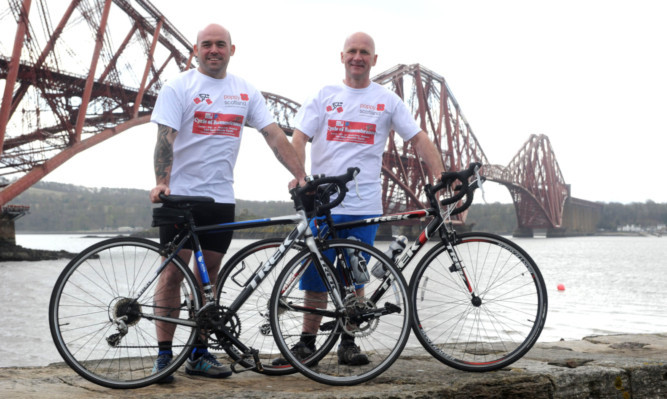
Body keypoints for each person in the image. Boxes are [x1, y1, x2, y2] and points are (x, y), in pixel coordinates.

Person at [149, 23, 306, 383]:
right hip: (180, 197)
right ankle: (163, 356)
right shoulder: (178, 87)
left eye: (221, 44)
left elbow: (273, 135)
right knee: (172, 273)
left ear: (232, 50)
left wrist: (301, 176)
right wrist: (161, 182)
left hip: (220, 198)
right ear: (196, 50)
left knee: (210, 279)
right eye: (207, 44)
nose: (214, 50)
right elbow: (164, 139)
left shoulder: (245, 92)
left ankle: (199, 355)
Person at [281, 32, 445, 366]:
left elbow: (417, 138)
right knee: (316, 278)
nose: (358, 57)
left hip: (364, 205)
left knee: (356, 278)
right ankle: (306, 344)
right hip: (323, 204)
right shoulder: (324, 96)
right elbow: (298, 137)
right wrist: (300, 176)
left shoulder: (387, 100)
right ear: (342, 56)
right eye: (352, 51)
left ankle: (348, 344)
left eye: (365, 52)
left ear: (374, 59)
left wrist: (440, 176)